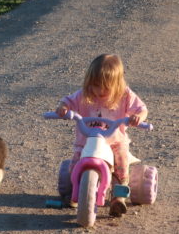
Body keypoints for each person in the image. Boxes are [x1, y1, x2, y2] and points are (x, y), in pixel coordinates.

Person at [55, 54, 148, 217]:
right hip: (87, 142)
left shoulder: (124, 95)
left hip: (114, 142)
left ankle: (118, 197)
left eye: (105, 87)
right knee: (75, 164)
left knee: (121, 167)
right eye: (95, 85)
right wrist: (62, 108)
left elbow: (142, 109)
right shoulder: (84, 94)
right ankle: (75, 192)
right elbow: (67, 101)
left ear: (117, 84)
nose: (98, 90)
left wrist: (138, 117)